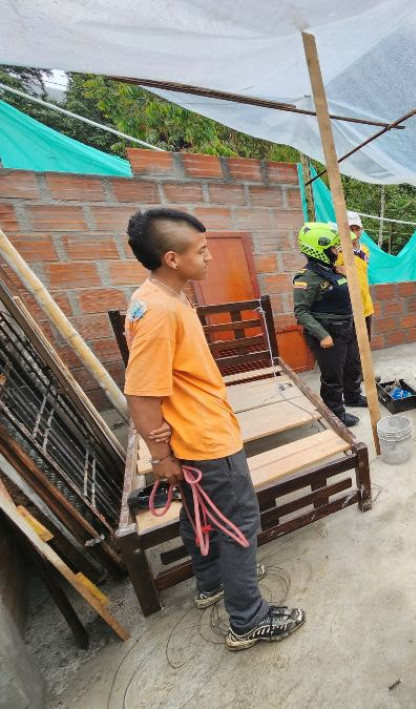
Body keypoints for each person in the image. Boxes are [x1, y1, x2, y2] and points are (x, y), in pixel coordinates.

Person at [123, 208, 305, 652]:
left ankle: (212, 582)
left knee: (200, 514)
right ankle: (248, 620)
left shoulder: (159, 296)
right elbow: (141, 395)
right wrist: (161, 458)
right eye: (201, 251)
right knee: (238, 523)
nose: (209, 257)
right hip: (206, 442)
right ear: (171, 258)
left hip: (196, 434)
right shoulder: (160, 313)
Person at [293, 222, 368, 427]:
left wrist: (345, 275)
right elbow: (301, 312)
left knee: (352, 366)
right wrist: (322, 335)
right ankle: (335, 412)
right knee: (333, 375)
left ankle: (353, 397)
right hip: (328, 332)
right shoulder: (307, 277)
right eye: (334, 247)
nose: (337, 250)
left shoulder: (332, 269)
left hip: (346, 327)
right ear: (320, 249)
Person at [334, 211, 374, 338]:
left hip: (366, 304)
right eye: (351, 229)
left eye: (357, 229)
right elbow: (332, 275)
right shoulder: (338, 252)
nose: (355, 233)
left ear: (362, 230)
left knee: (366, 340)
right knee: (353, 343)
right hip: (349, 307)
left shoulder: (365, 249)